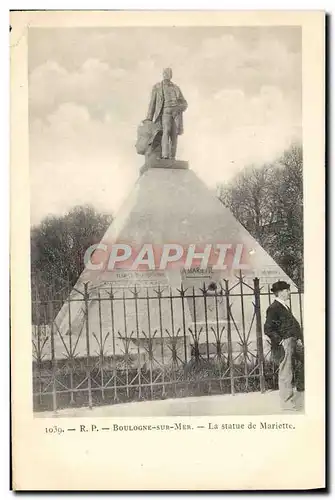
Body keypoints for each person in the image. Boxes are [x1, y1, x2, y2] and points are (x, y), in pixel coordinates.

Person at [264, 280, 304, 410]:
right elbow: (268, 329)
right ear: (280, 292)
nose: (289, 293)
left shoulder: (283, 306)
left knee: (302, 364)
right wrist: (281, 341)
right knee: (286, 373)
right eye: (287, 290)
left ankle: (301, 389)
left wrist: (299, 338)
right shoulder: (274, 308)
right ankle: (287, 404)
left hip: (293, 341)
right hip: (285, 343)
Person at [146, 68, 187, 160]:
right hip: (165, 112)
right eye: (166, 73)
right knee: (166, 131)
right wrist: (149, 118)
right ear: (163, 74)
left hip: (175, 113)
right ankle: (165, 155)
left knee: (174, 135)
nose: (167, 75)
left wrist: (179, 108)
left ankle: (172, 156)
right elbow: (152, 103)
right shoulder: (158, 87)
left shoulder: (176, 88)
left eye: (169, 73)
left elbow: (184, 103)